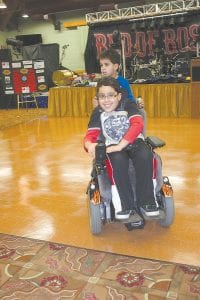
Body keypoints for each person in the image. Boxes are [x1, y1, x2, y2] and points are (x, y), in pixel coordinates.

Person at [84, 76, 159, 221]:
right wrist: (89, 145)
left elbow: (137, 124)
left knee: (146, 156)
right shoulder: (98, 112)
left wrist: (121, 145)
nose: (106, 100)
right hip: (112, 145)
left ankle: (148, 201)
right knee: (117, 162)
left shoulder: (128, 104)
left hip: (134, 141)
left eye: (111, 95)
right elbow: (90, 135)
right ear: (97, 98)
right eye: (102, 96)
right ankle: (125, 205)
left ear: (118, 95)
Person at [98, 48, 146, 136]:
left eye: (106, 65)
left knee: (141, 112)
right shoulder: (101, 83)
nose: (103, 68)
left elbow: (130, 99)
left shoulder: (123, 82)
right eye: (101, 65)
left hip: (122, 110)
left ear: (115, 66)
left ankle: (140, 138)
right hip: (107, 111)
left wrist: (138, 102)